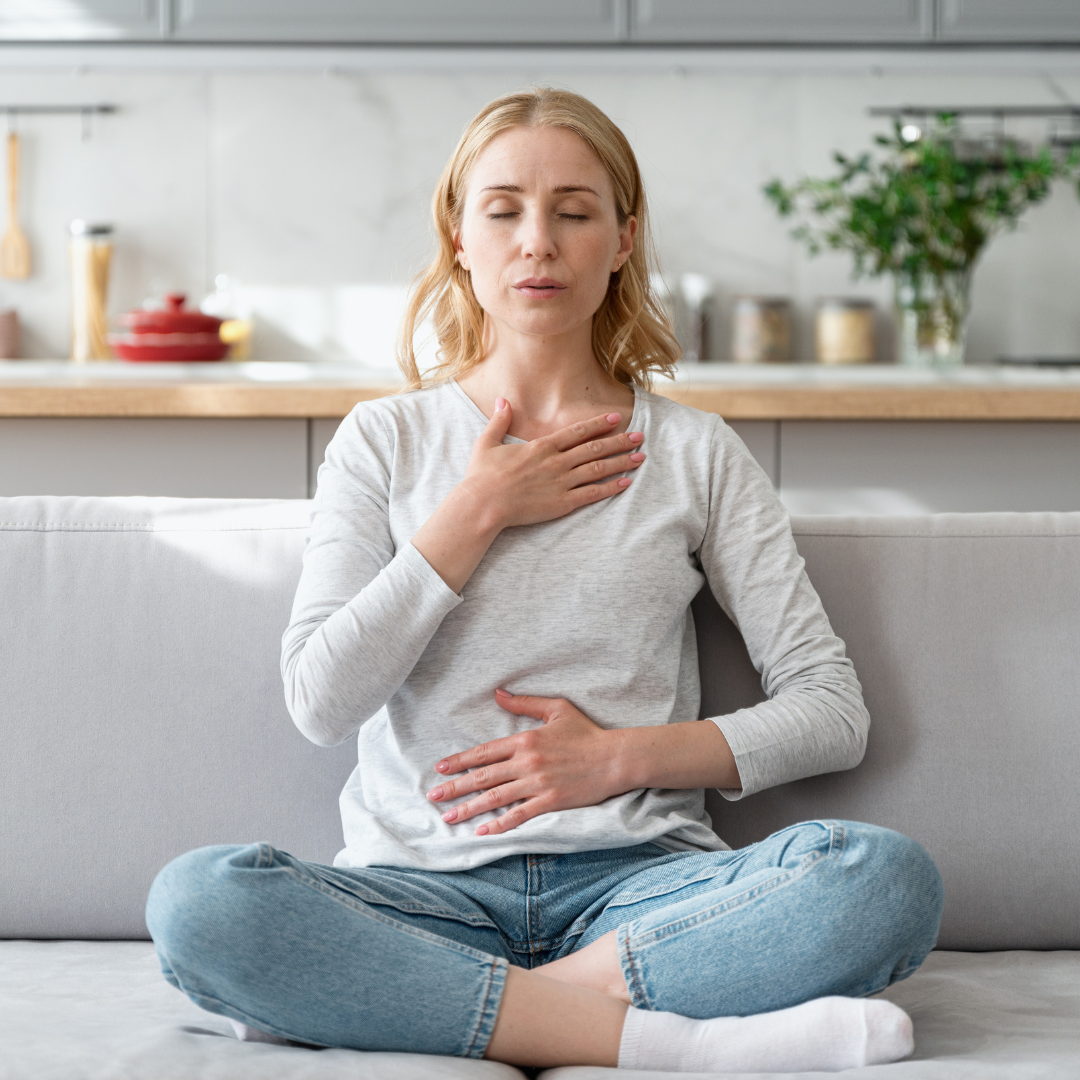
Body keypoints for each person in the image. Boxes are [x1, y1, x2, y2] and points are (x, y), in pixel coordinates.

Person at [146, 87, 943, 1074]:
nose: (538, 242)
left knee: (883, 880)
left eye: (574, 212)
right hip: (421, 894)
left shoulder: (693, 452)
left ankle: (425, 1004)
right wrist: (474, 510)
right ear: (458, 234)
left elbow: (831, 710)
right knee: (198, 904)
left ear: (621, 240)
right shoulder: (383, 443)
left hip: (639, 894)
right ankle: (671, 1043)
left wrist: (618, 760)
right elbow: (320, 699)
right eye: (504, 209)